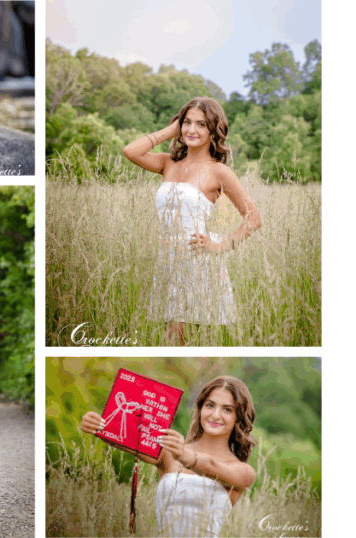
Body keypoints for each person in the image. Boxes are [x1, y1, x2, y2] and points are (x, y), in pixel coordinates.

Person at [122, 97, 261, 345]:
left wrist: (221, 245)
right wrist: (171, 131)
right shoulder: (168, 163)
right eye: (187, 122)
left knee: (185, 336)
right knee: (172, 337)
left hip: (197, 258)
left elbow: (254, 218)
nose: (192, 130)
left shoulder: (218, 171)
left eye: (201, 124)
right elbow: (130, 151)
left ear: (213, 131)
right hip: (167, 257)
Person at [80, 375, 256, 537]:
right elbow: (125, 438)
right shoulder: (170, 453)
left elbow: (211, 466)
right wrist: (99, 427)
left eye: (227, 409)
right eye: (210, 405)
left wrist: (187, 456)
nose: (215, 415)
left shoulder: (243, 472)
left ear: (238, 417)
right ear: (200, 408)